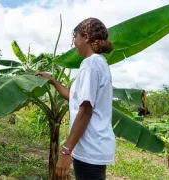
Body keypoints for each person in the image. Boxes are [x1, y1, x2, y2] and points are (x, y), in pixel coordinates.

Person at [36, 18, 115, 180]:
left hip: (90, 148)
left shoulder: (90, 64)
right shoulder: (100, 63)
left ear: (85, 37)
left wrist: (66, 150)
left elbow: (85, 110)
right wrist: (53, 81)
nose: (74, 43)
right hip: (94, 147)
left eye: (76, 38)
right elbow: (75, 97)